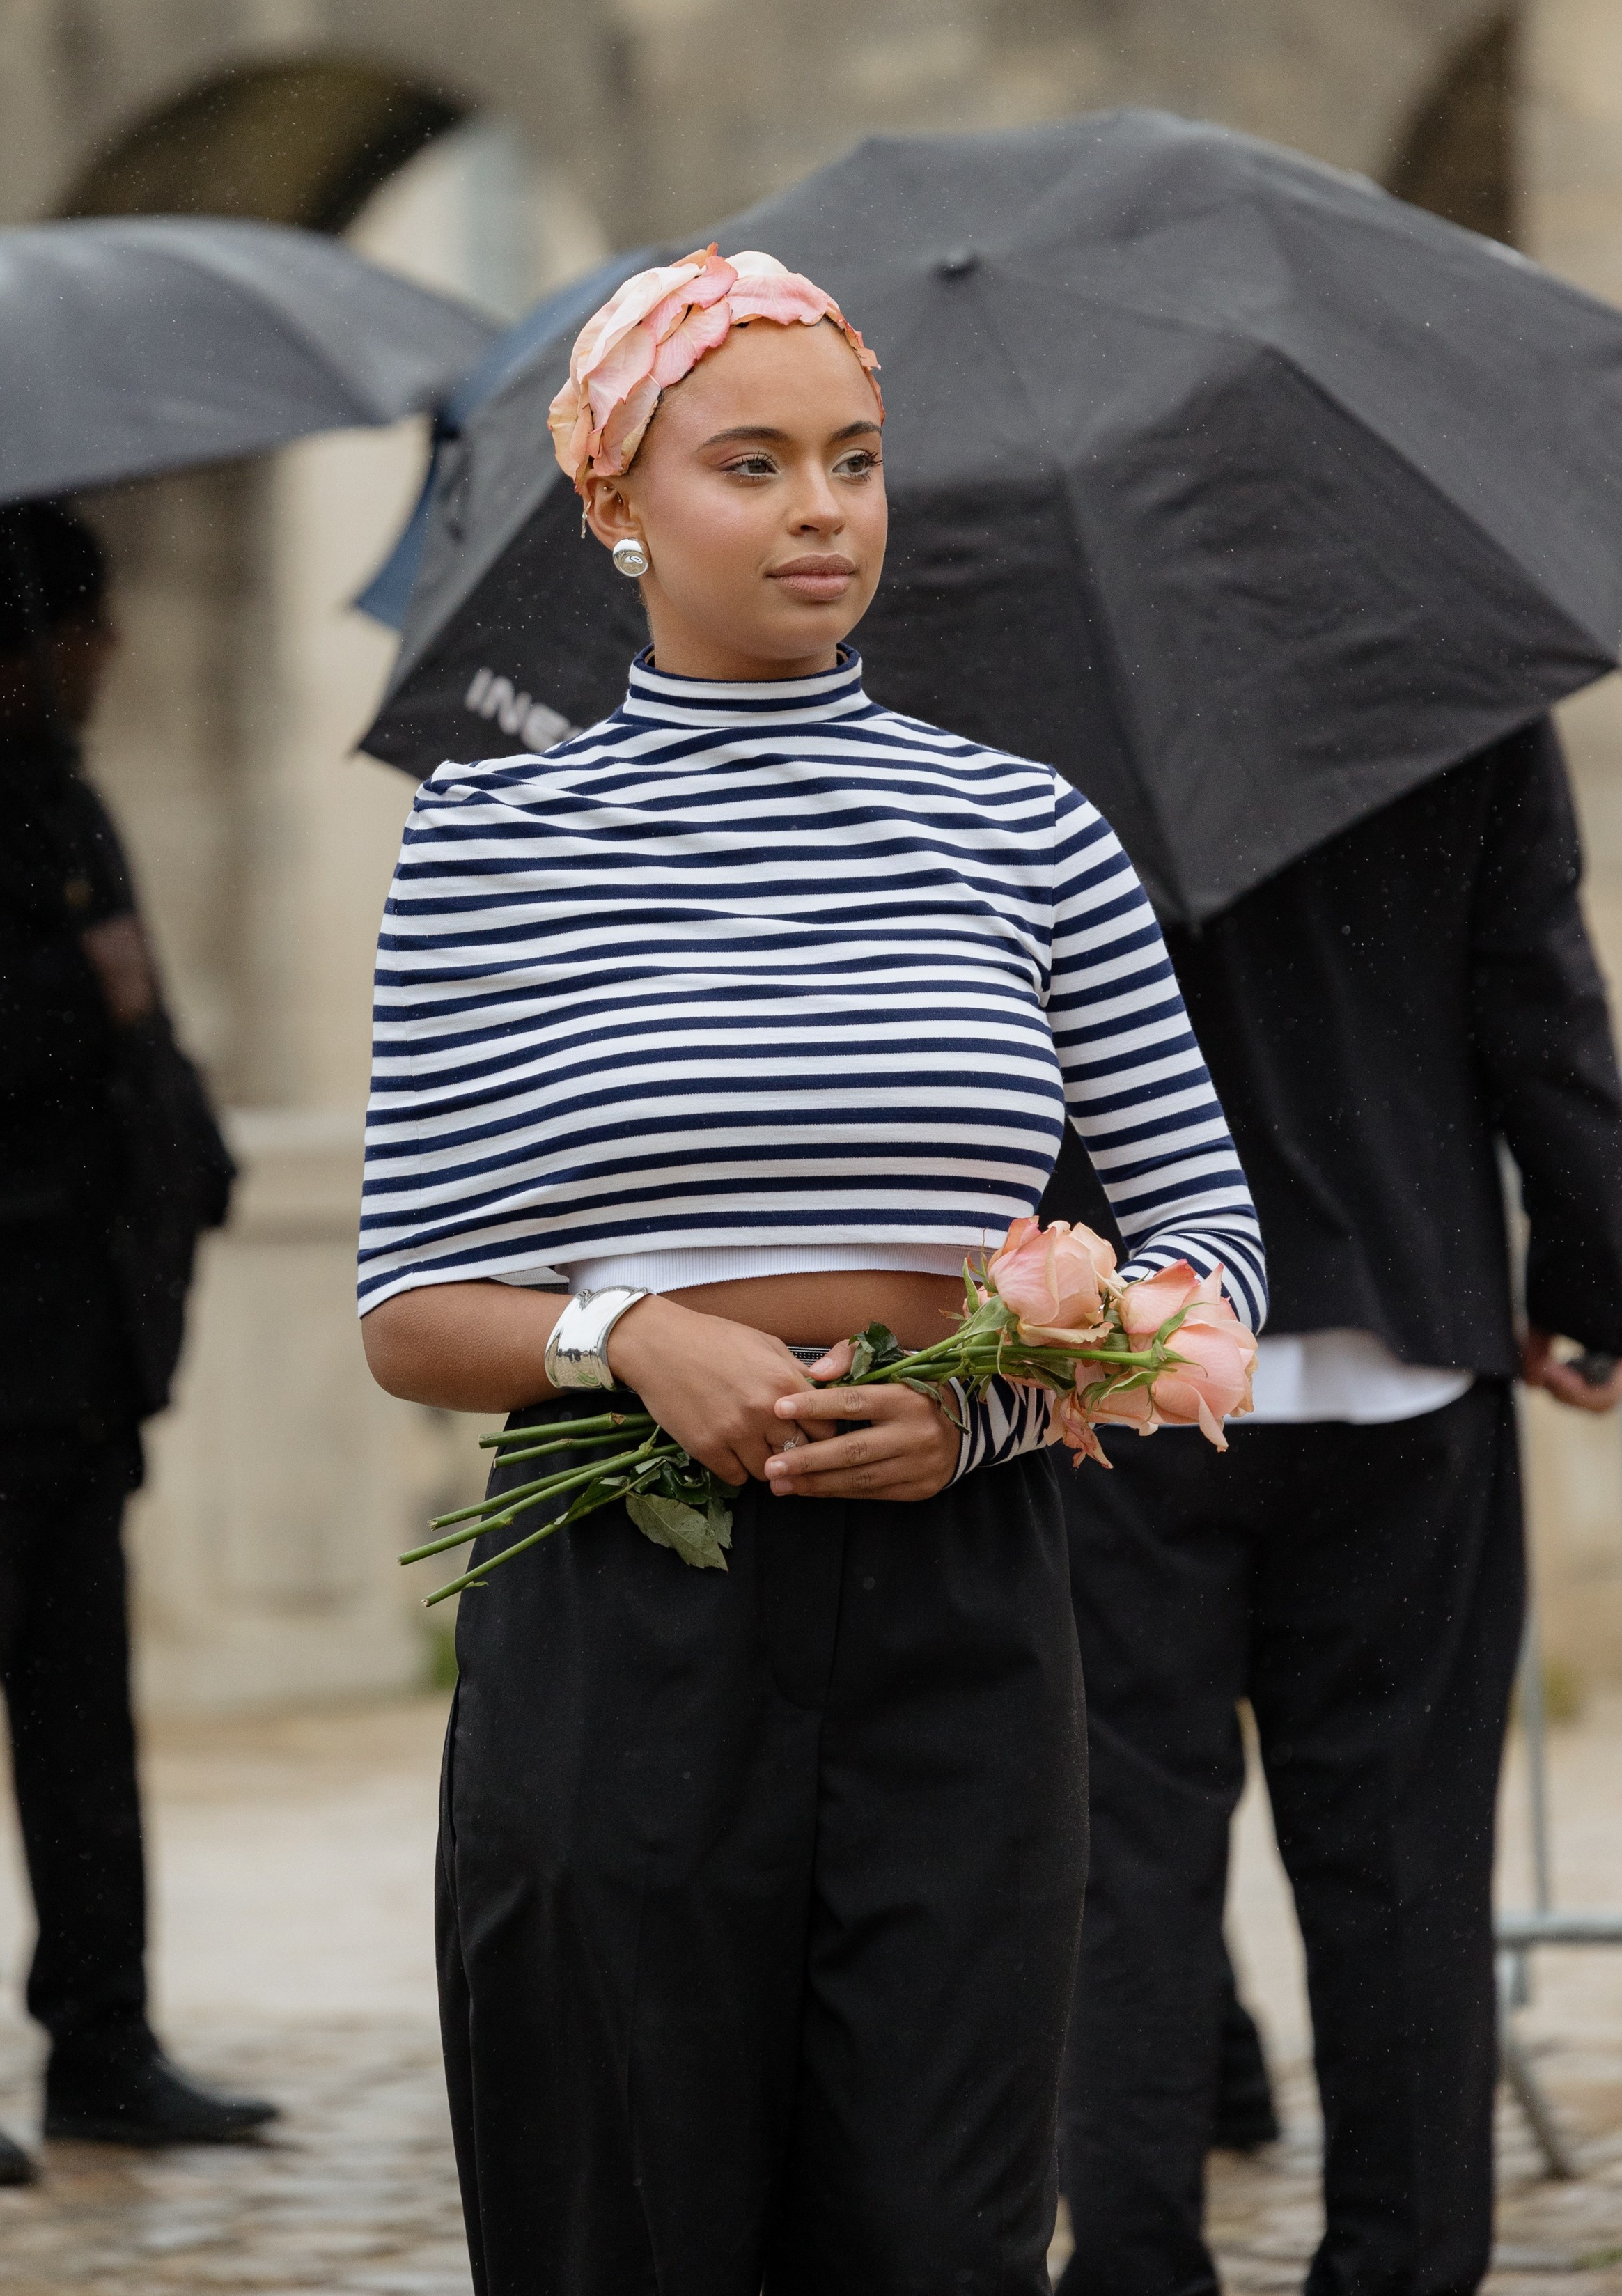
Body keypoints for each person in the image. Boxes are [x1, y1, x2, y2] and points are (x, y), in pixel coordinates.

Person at [358, 247, 1268, 2295]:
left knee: (940, 2241)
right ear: (616, 502)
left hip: (963, 1613)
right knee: (625, 2226)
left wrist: (991, 1409)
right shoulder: (490, 843)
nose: (821, 511)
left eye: (854, 460)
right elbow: (408, 1306)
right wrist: (626, 1333)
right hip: (615, 1610)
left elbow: (1212, 1257)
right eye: (748, 463)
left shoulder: (1029, 831)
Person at [1045, 726, 1622, 2296]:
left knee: (1122, 1859)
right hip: (1398, 1346)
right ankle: (1401, 2266)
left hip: (1122, 1367)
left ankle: (1136, 2266)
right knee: (1405, 1864)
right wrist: (1587, 1281)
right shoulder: (1446, 687)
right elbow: (1538, 1001)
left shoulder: (1030, 692)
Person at [0, 503, 276, 2187]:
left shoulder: (59, 800)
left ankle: (104, 2044)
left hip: (79, 1343)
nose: (111, 656)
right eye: (85, 626)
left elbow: (132, 1023)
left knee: (86, 1723)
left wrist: (189, 1151)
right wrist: (57, 1004)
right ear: (10, 640)